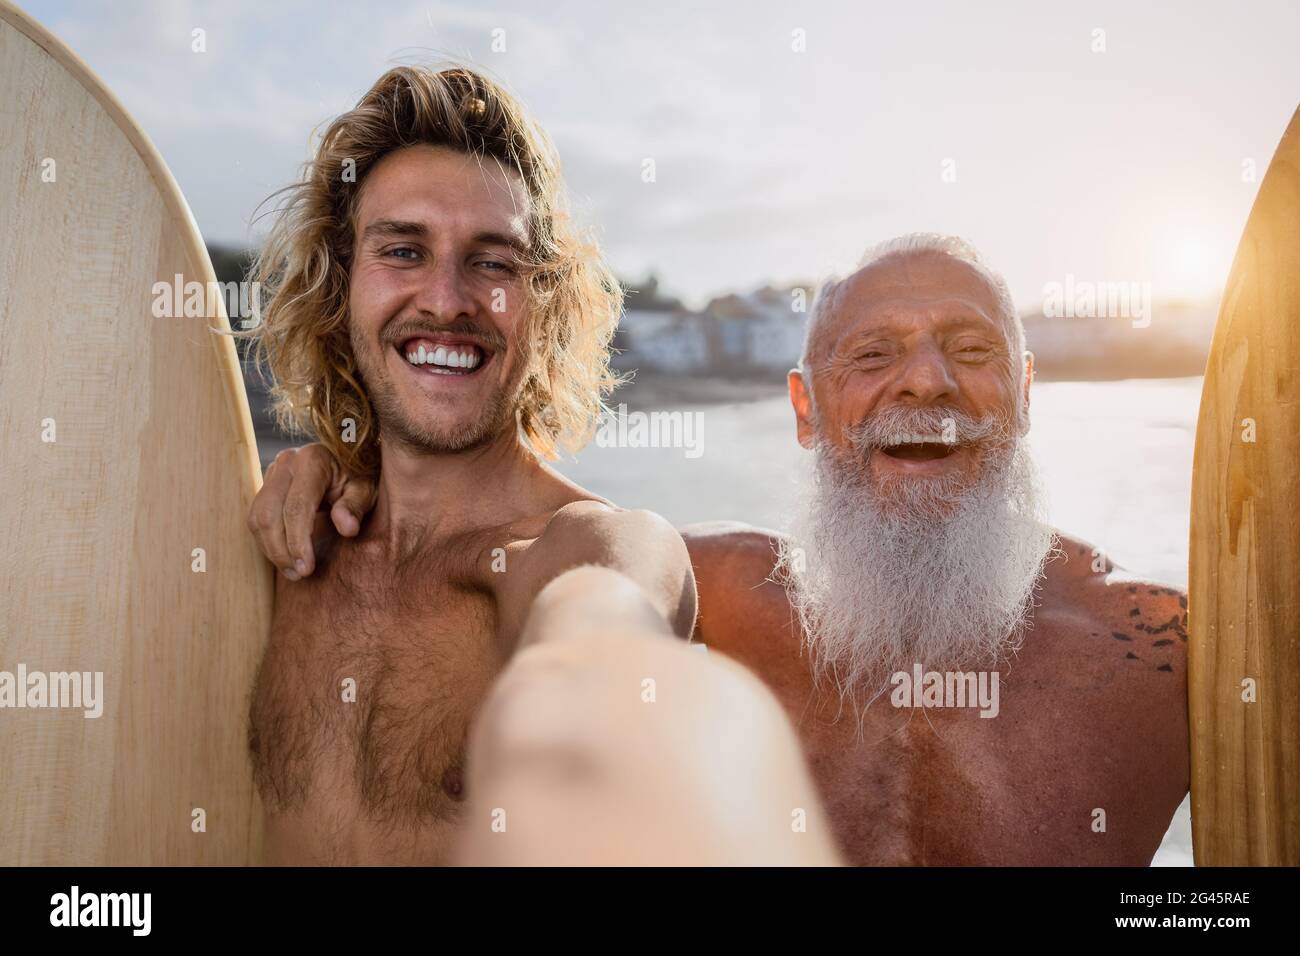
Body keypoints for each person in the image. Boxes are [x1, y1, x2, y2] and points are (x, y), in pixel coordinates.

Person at [260, 233, 1190, 865]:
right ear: (804, 410)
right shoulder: (704, 594)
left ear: (1026, 393)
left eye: (971, 349)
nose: (925, 381)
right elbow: (498, 545)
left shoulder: (1160, 656)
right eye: (872, 356)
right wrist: (353, 475)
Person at [243, 64, 836, 865]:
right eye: (404, 250)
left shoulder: (587, 546)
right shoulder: (287, 544)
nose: (447, 299)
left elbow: (603, 647)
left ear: (547, 302)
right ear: (342, 284)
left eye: (493, 263)